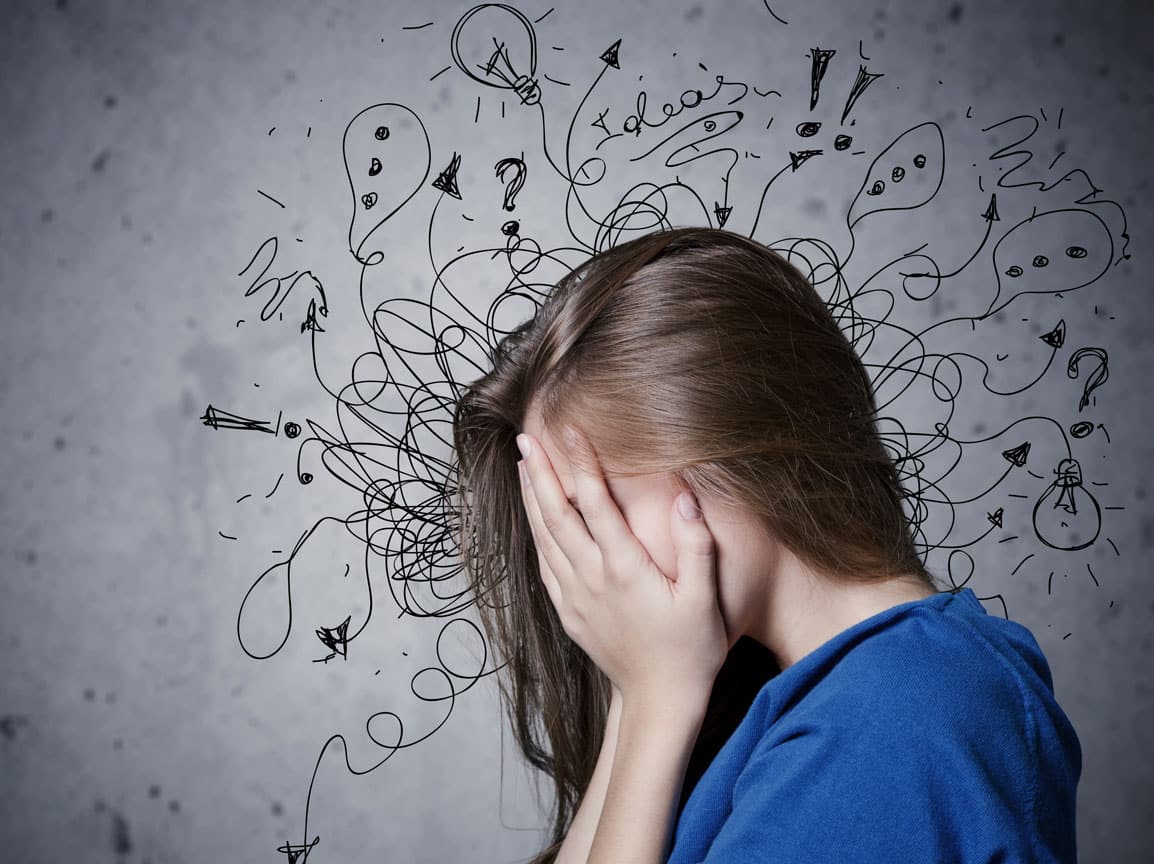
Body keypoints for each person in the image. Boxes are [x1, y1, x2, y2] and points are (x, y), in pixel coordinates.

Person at [448, 227, 1081, 863]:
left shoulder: (890, 723)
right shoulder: (839, 700)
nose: (581, 569)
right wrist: (640, 693)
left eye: (591, 511)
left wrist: (654, 698)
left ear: (719, 451)